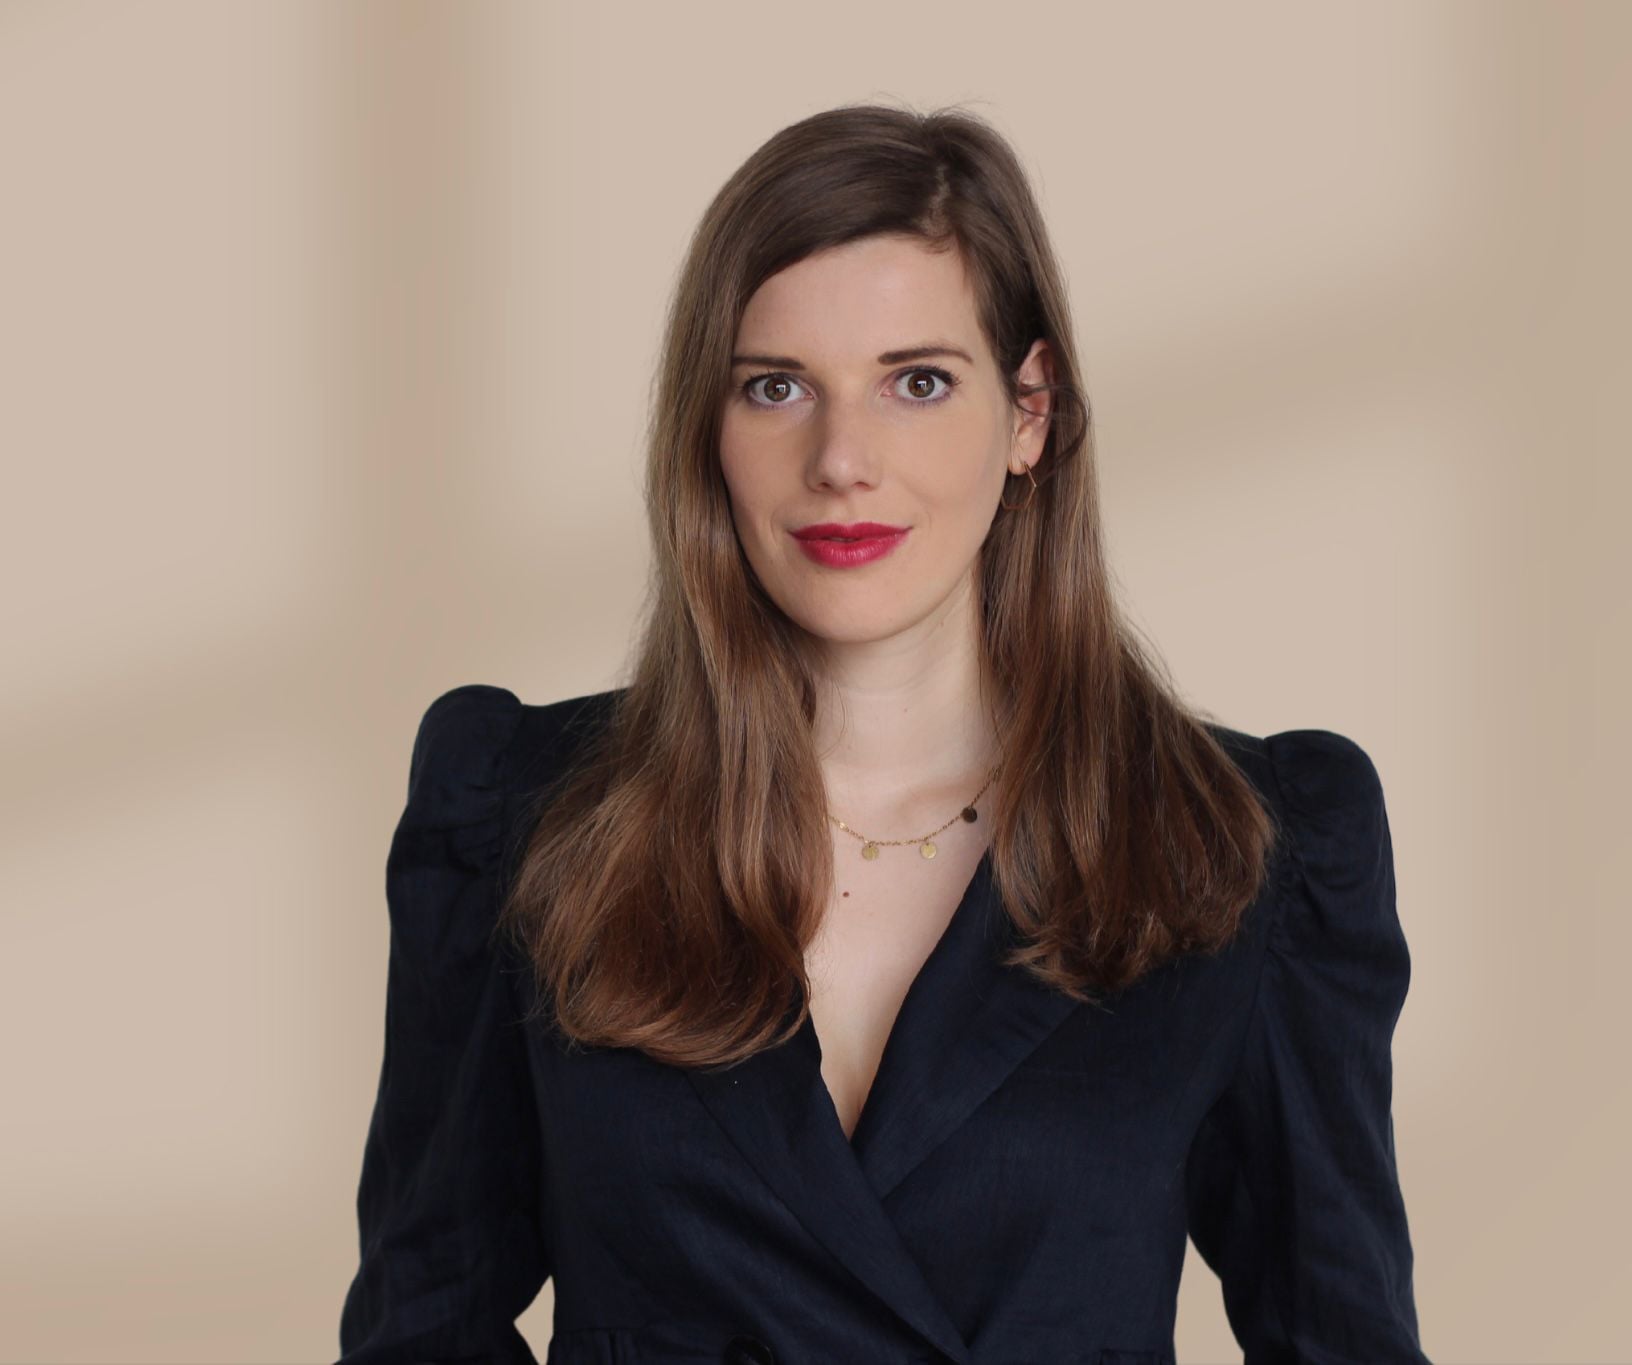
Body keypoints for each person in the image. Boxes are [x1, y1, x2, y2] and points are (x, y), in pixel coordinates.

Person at [337, 103, 1429, 1365]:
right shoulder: (525, 817)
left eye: (918, 383)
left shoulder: (1234, 844)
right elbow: (425, 1327)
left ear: (1029, 413)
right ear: (709, 428)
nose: (841, 458)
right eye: (777, 387)